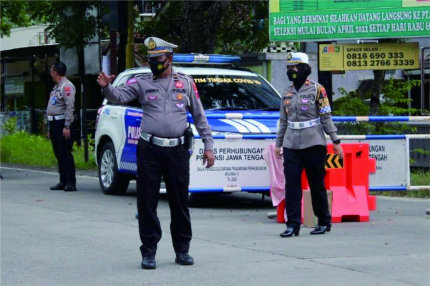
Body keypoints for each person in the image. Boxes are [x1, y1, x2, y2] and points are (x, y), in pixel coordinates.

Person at [97, 37, 215, 270]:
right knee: (147, 202)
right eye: (151, 60)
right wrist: (106, 87)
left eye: (158, 60)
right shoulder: (142, 82)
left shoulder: (186, 83)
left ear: (169, 59)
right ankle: (148, 252)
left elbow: (200, 116)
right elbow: (118, 96)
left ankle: (182, 250)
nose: (153, 64)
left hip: (177, 150)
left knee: (179, 202)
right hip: (149, 150)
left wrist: (209, 146)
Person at [275, 52, 343, 237]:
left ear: (304, 68)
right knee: (292, 184)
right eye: (289, 68)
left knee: (316, 184)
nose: (291, 71)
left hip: (313, 143)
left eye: (294, 68)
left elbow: (326, 117)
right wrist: (278, 144)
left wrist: (335, 141)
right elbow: (283, 120)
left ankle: (323, 221)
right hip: (291, 144)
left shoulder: (317, 90)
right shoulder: (286, 92)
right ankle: (293, 224)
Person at [47, 61, 77, 192]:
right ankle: (63, 180)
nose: (51, 74)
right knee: (58, 153)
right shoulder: (56, 87)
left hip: (62, 123)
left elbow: (70, 107)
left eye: (52, 71)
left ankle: (71, 182)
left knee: (65, 153)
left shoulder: (67, 86)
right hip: (54, 123)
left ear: (55, 72)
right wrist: (49, 127)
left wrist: (67, 126)